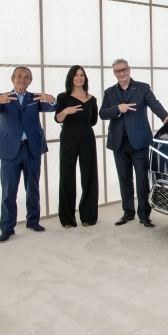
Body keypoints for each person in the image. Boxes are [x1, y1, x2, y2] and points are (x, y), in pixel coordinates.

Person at [100, 59, 168, 228]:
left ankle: (144, 214)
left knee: (142, 179)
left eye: (124, 70)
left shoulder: (142, 88)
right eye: (118, 71)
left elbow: (154, 104)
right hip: (119, 142)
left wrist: (165, 117)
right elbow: (102, 113)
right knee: (124, 179)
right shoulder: (109, 92)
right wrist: (118, 109)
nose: (121, 73)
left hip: (139, 141)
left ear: (129, 70)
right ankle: (128, 212)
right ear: (114, 73)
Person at [0, 67, 56, 243]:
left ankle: (33, 221)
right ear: (12, 79)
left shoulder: (35, 98)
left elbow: (50, 108)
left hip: (32, 147)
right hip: (10, 150)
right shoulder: (3, 97)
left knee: (33, 187)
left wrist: (53, 100)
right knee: (8, 190)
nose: (22, 80)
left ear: (30, 81)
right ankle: (7, 227)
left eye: (26, 78)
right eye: (19, 77)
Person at [55, 66, 99, 229]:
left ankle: (88, 216)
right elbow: (58, 118)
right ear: (71, 78)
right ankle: (67, 218)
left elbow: (93, 121)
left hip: (87, 137)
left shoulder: (91, 99)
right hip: (68, 138)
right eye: (76, 75)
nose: (79, 78)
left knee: (89, 175)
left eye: (82, 75)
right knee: (67, 175)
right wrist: (66, 111)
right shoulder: (63, 97)